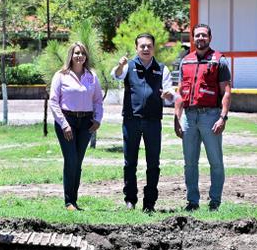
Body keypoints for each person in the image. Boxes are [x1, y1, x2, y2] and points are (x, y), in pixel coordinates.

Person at [112, 33, 174, 212]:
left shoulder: (162, 69)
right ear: (136, 48)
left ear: (154, 48)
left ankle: (149, 203)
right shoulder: (128, 66)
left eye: (149, 46)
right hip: (131, 121)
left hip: (153, 122)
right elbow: (116, 76)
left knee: (153, 164)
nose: (146, 49)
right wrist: (119, 66)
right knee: (129, 162)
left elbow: (170, 94)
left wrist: (168, 95)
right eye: (142, 46)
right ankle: (130, 200)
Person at [174, 23, 231, 211]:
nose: (200, 38)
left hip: (211, 116)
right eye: (197, 35)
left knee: (215, 161)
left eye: (204, 35)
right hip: (189, 118)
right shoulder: (186, 61)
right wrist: (177, 118)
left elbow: (226, 92)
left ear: (210, 38)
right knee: (189, 162)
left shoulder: (219, 61)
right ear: (192, 38)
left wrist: (223, 117)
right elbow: (181, 92)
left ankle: (214, 201)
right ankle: (192, 202)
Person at [49, 42, 104, 211]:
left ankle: (74, 200)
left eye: (82, 53)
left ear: (86, 56)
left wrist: (97, 120)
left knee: (78, 161)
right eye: (76, 53)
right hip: (67, 121)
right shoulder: (61, 75)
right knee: (71, 159)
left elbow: (98, 100)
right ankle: (68, 201)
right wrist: (64, 124)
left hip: (85, 122)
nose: (79, 56)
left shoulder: (91, 76)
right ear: (71, 56)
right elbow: (53, 101)